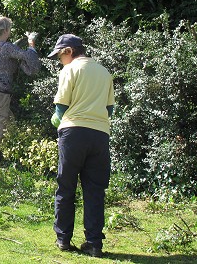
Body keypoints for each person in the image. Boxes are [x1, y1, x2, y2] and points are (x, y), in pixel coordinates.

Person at [49, 34, 115, 257]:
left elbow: (61, 106)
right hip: (100, 135)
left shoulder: (69, 70)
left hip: (73, 132)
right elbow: (109, 110)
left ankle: (63, 239)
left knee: (66, 186)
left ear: (68, 51)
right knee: (95, 190)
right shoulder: (105, 72)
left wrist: (57, 119)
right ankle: (94, 243)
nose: (59, 60)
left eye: (59, 55)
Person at [0, 16, 41, 165]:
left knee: (8, 121)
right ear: (6, 30)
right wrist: (31, 43)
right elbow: (28, 58)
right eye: (10, 29)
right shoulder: (6, 47)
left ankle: (7, 155)